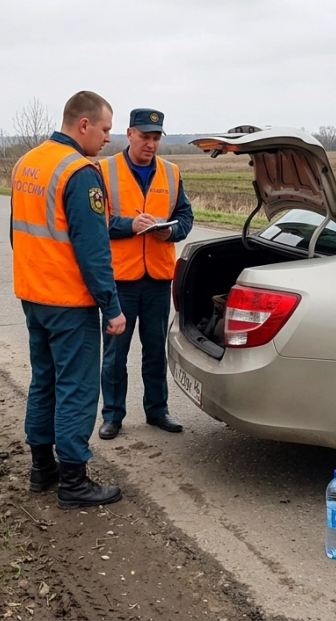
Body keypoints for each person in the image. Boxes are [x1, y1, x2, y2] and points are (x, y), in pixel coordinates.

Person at [10, 90, 128, 509]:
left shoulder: (29, 163)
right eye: (106, 129)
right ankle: (74, 482)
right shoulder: (79, 172)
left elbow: (17, 232)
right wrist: (111, 307)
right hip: (68, 301)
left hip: (33, 295)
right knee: (77, 389)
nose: (108, 139)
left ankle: (42, 470)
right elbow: (93, 249)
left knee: (44, 381)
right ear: (84, 125)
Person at [96, 108, 194, 440]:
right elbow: (95, 222)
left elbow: (185, 217)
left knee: (154, 349)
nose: (151, 144)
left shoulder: (171, 172)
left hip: (156, 279)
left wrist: (172, 232)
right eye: (145, 137)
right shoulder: (104, 171)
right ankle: (112, 415)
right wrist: (128, 225)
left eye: (156, 138)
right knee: (115, 353)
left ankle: (157, 410)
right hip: (120, 280)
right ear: (130, 134)